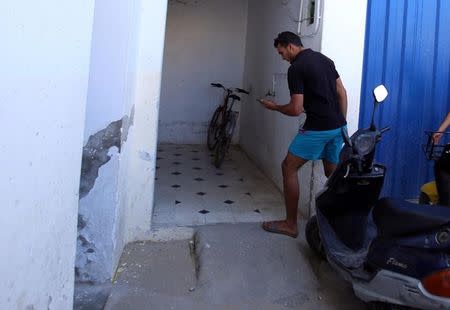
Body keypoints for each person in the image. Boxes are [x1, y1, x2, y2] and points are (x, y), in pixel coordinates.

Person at [260, 31, 347, 238]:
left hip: (317, 128)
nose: (282, 57)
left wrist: (274, 107)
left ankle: (290, 224)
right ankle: (342, 219)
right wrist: (342, 124)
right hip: (337, 127)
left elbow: (295, 109)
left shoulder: (296, 68)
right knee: (332, 173)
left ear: (290, 46)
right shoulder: (325, 60)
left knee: (288, 167)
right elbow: (342, 93)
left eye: (282, 52)